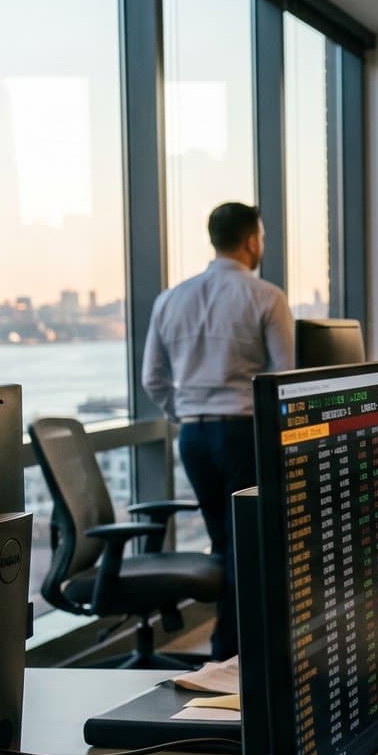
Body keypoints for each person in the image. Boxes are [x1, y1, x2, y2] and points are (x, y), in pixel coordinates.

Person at [142, 202, 294, 660]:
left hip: (194, 439)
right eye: (261, 238)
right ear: (251, 241)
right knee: (246, 543)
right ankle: (232, 650)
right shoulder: (266, 296)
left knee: (224, 540)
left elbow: (153, 378)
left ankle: (230, 648)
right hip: (244, 432)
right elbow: (283, 378)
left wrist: (186, 413)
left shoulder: (171, 298)